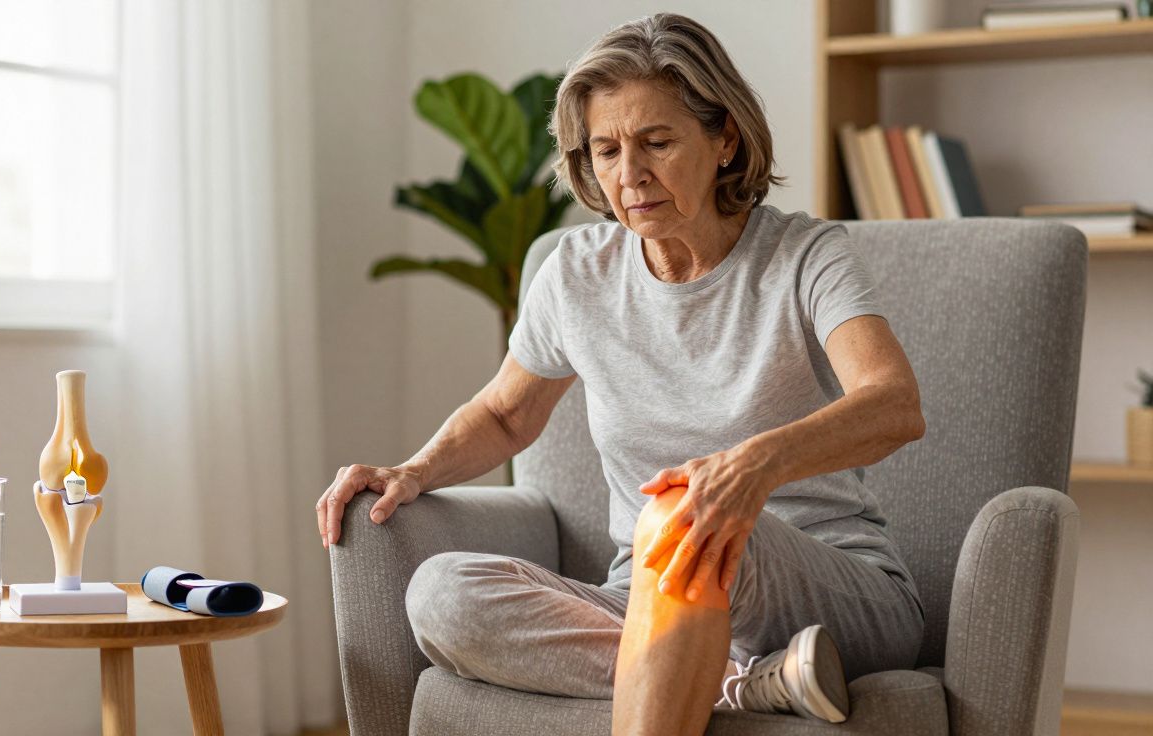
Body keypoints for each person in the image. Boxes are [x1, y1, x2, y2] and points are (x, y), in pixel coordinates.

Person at [315, 12, 926, 736]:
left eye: (657, 142)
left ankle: (702, 664)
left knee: (682, 509)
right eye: (605, 150)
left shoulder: (804, 256)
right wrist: (413, 471)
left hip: (828, 591)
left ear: (724, 137)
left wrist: (751, 468)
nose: (628, 176)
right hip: (648, 595)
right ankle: (745, 684)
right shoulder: (576, 274)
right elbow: (509, 414)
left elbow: (893, 404)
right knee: (442, 594)